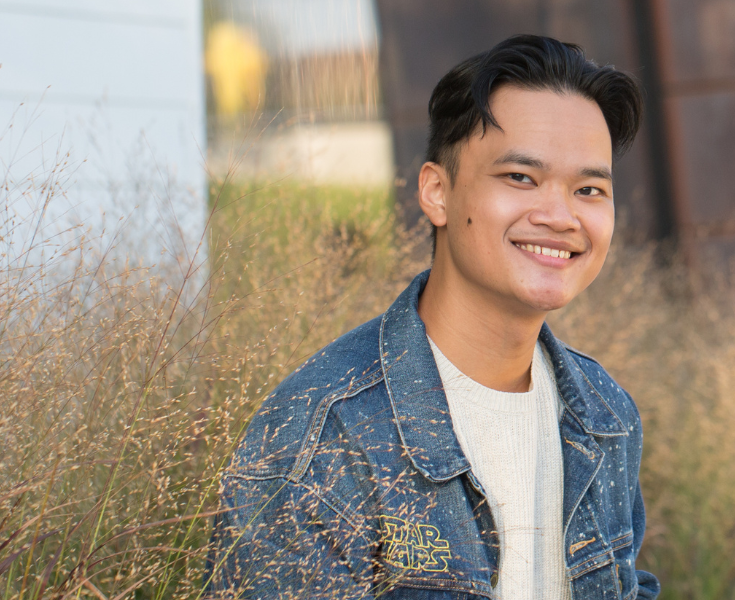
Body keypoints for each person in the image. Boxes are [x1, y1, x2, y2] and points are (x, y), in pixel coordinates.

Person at [207, 35, 657, 599]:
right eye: (521, 178)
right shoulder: (322, 437)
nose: (561, 216)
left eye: (588, 189)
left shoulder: (605, 414)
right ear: (437, 192)